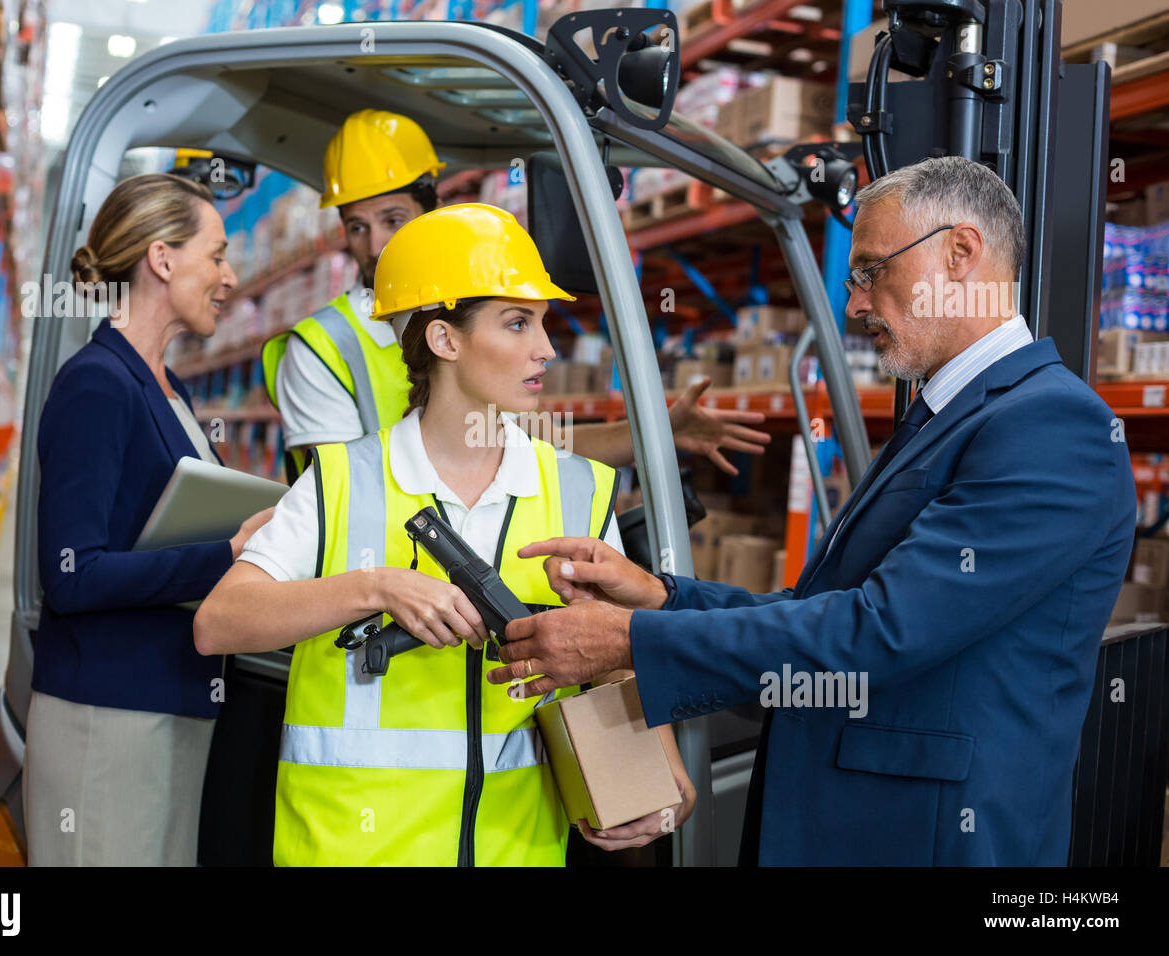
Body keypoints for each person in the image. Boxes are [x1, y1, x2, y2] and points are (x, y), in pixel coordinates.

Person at [486, 156, 1138, 866]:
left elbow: (878, 632)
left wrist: (630, 641)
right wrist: (661, 598)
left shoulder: (1050, 428)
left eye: (871, 271)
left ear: (961, 254)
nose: (855, 303)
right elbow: (824, 609)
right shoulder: (945, 419)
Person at [195, 203, 695, 865]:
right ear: (444, 340)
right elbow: (218, 623)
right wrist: (372, 588)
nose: (546, 348)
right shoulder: (342, 482)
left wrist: (666, 774)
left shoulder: (580, 489)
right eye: (517, 323)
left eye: (542, 324)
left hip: (515, 852)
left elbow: (620, 653)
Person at [262, 108, 773, 483]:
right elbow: (341, 494)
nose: (375, 246)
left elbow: (538, 440)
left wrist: (653, 435)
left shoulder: (473, 311)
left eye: (393, 220)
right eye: (357, 227)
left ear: (430, 208)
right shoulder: (323, 346)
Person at [26, 174, 274, 866]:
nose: (229, 276)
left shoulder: (169, 390)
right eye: (216, 255)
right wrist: (227, 553)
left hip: (173, 701)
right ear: (162, 260)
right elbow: (72, 574)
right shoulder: (98, 383)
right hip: (107, 719)